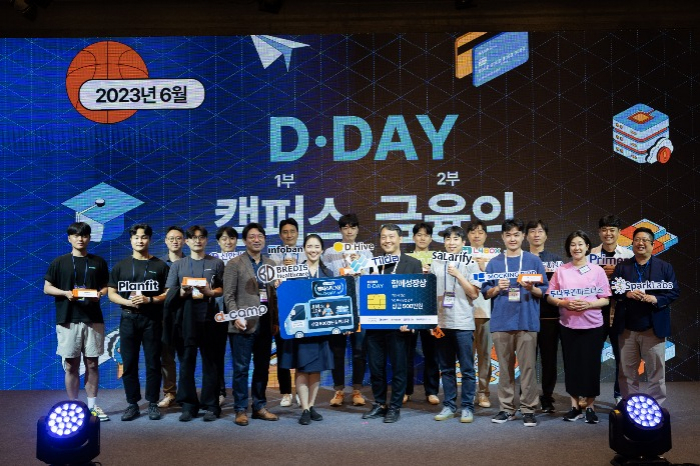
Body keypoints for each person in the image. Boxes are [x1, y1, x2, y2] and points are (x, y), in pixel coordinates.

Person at [482, 218, 548, 427]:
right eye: (508, 235)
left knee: (528, 368)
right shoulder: (494, 263)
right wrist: (497, 289)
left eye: (516, 234)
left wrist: (531, 289)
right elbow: (486, 292)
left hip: (527, 321)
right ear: (502, 237)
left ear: (522, 237)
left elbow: (543, 291)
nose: (512, 238)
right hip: (501, 322)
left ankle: (528, 409)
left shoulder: (533, 261)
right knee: (505, 368)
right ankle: (506, 409)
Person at [44, 222, 110, 421]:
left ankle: (91, 407)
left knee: (92, 364)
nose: (80, 239)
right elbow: (47, 287)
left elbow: (106, 286)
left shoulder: (98, 262)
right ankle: (73, 406)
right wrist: (65, 293)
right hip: (67, 319)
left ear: (89, 238)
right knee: (71, 365)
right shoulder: (59, 262)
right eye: (76, 235)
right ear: (69, 238)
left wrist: (100, 293)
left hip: (93, 319)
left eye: (84, 235)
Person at [164, 225, 226, 422]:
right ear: (187, 242)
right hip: (186, 321)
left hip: (210, 319)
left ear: (206, 240)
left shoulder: (216, 263)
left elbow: (222, 290)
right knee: (186, 364)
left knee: (211, 364)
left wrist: (210, 292)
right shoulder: (178, 265)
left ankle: (211, 405)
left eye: (201, 237)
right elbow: (169, 293)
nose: (197, 241)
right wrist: (182, 292)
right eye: (193, 238)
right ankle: (189, 405)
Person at [546, 230, 610, 424]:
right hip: (568, 325)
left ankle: (590, 406)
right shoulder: (561, 270)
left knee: (591, 367)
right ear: (568, 248)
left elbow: (606, 299)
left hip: (593, 326)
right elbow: (550, 296)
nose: (577, 248)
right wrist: (563, 304)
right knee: (571, 366)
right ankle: (574, 406)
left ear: (588, 247)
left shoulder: (597, 270)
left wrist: (589, 304)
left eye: (580, 244)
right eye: (573, 244)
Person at [107, 224, 170, 421]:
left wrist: (149, 300)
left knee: (153, 363)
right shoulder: (121, 266)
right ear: (131, 240)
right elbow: (111, 293)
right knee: (129, 363)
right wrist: (128, 302)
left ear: (150, 240)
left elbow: (168, 293)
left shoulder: (160, 266)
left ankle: (152, 403)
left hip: (151, 318)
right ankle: (132, 404)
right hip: (128, 318)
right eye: (136, 237)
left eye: (144, 237)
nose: (140, 241)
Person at [362, 224, 423, 423]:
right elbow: (365, 292)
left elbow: (418, 295)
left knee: (399, 367)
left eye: (391, 236)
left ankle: (395, 406)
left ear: (400, 239)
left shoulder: (412, 263)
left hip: (400, 327)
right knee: (376, 368)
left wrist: (412, 322)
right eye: (383, 237)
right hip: (375, 324)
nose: (387, 240)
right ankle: (379, 403)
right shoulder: (373, 263)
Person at [612, 227, 679, 405]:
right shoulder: (622, 267)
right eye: (637, 240)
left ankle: (656, 405)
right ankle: (629, 404)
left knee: (656, 371)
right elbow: (613, 290)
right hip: (627, 328)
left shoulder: (664, 267)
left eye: (645, 240)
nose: (640, 243)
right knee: (626, 371)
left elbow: (674, 292)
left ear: (653, 244)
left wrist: (655, 298)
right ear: (632, 243)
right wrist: (626, 294)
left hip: (654, 329)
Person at [224, 223, 279, 426]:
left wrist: (274, 321)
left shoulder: (271, 264)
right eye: (252, 236)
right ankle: (240, 409)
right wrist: (236, 316)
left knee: (262, 367)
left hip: (265, 324)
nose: (257, 240)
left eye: (260, 236)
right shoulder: (234, 264)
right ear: (245, 240)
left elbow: (273, 297)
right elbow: (228, 296)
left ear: (264, 239)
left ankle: (259, 406)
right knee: (241, 368)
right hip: (242, 324)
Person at [279, 234, 335, 425]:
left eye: (317, 246)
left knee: (316, 369)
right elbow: (286, 298)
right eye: (309, 246)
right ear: (304, 249)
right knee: (302, 368)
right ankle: (303, 408)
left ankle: (311, 406)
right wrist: (281, 284)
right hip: (300, 328)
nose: (313, 250)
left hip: (320, 328)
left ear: (321, 249)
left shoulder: (328, 273)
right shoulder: (294, 271)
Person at [430, 226, 481, 423]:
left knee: (467, 368)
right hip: (442, 323)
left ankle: (467, 407)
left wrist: (458, 274)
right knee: (447, 368)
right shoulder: (436, 262)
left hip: (463, 322)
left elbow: (475, 294)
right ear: (444, 242)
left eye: (456, 239)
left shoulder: (471, 264)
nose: (451, 242)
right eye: (448, 239)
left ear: (463, 242)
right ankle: (449, 405)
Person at [322, 213, 371, 407]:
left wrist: (360, 265)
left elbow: (372, 278)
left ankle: (357, 390)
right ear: (340, 230)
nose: (349, 231)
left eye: (353, 227)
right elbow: (325, 278)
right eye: (345, 227)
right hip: (337, 310)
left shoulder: (366, 253)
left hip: (360, 309)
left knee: (359, 351)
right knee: (337, 352)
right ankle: (339, 390)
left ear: (358, 230)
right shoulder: (330, 253)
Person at [590, 215, 634, 404]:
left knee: (621, 357)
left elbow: (633, 282)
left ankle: (619, 394)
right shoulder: (590, 255)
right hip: (595, 311)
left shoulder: (628, 256)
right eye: (604, 229)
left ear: (619, 232)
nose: (608, 233)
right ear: (600, 232)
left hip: (620, 311)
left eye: (612, 230)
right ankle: (589, 395)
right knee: (591, 355)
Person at [526, 219, 564, 413]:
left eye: (540, 231)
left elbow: (561, 287)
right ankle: (529, 398)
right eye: (532, 231)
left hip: (549, 318)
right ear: (526, 236)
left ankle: (547, 396)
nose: (536, 234)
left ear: (546, 236)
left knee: (549, 361)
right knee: (528, 362)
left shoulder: (556, 261)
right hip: (525, 317)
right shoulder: (521, 259)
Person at [405, 222, 440, 405]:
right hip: (411, 309)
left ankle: (432, 391)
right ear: (413, 238)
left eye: (426, 235)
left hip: (431, 310)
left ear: (431, 238)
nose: (422, 238)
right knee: (407, 351)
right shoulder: (406, 258)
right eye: (419, 235)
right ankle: (406, 390)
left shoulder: (438, 258)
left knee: (431, 352)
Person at [269, 218, 299, 408]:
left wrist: (296, 268)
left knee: (301, 354)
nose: (289, 235)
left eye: (292, 231)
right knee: (282, 353)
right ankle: (286, 392)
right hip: (280, 312)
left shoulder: (305, 254)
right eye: (285, 232)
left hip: (301, 312)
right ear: (281, 235)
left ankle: (300, 391)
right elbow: (269, 286)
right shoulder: (272, 258)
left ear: (297, 233)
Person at [158, 225, 185, 409]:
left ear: (184, 241)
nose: (175, 241)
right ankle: (169, 393)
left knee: (186, 357)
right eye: (171, 238)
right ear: (166, 241)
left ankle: (186, 394)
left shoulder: (191, 262)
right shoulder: (158, 265)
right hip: (164, 317)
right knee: (166, 358)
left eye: (178, 238)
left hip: (186, 317)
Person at [467, 220, 493, 408]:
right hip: (463, 313)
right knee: (465, 356)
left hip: (485, 312)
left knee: (484, 356)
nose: (477, 235)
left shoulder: (494, 257)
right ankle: (467, 394)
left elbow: (500, 283)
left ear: (485, 235)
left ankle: (483, 393)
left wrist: (486, 269)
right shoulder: (460, 256)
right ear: (467, 235)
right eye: (473, 232)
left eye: (481, 232)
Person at [214, 225, 238, 407]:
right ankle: (220, 391)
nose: (228, 242)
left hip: (239, 312)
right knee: (218, 354)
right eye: (224, 239)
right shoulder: (213, 260)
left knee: (239, 354)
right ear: (218, 242)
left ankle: (239, 392)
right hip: (219, 312)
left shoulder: (242, 260)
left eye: (231, 238)